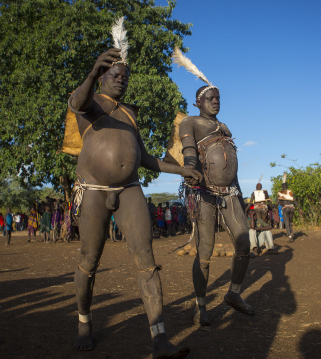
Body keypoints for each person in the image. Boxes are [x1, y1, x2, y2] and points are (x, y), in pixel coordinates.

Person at [67, 42, 200, 357]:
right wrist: (90, 73)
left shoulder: (129, 114)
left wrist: (182, 171)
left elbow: (145, 158)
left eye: (124, 77)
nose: (120, 80)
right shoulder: (90, 104)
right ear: (102, 76)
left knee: (147, 262)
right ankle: (84, 322)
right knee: (89, 260)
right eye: (113, 75)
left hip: (130, 190)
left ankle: (159, 337)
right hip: (94, 191)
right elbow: (77, 101)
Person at [179, 81, 253, 325]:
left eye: (218, 98)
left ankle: (233, 293)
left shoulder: (224, 127)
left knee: (244, 243)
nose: (216, 101)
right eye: (210, 98)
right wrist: (190, 167)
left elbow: (231, 166)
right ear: (198, 102)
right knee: (205, 251)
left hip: (231, 192)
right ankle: (200, 306)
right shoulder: (190, 121)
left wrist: (240, 196)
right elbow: (189, 150)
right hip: (204, 193)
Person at [276, 173, 303, 242]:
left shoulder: (281, 193)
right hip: (292, 208)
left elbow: (277, 202)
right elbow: (295, 201)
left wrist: (275, 206)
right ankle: (290, 233)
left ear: (282, 187)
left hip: (286, 208)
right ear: (287, 187)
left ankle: (290, 236)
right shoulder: (290, 193)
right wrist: (299, 208)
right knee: (290, 222)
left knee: (287, 222)